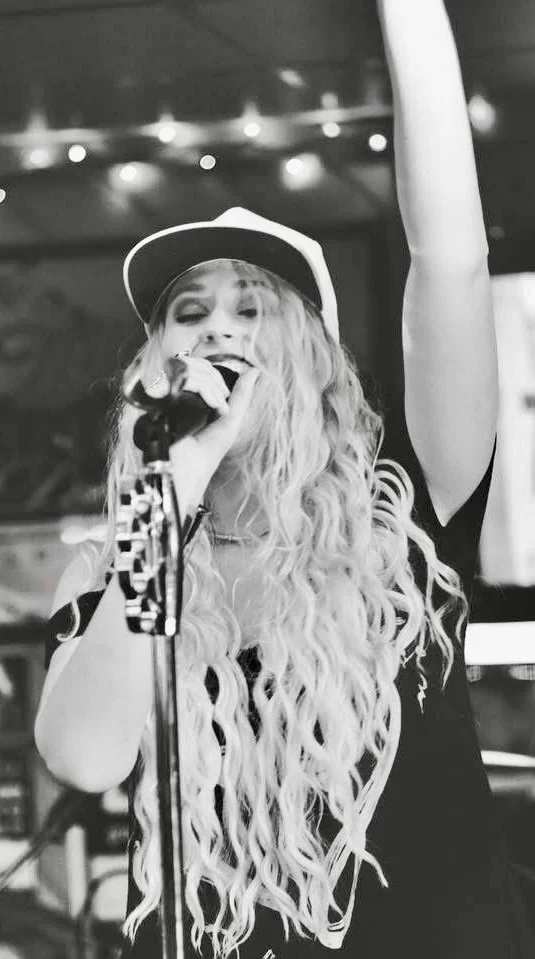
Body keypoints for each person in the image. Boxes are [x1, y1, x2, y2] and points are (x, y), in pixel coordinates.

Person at [33, 1, 534, 957]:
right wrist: (169, 492)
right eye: (188, 311)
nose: (217, 327)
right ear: (152, 366)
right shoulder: (117, 562)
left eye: (251, 306)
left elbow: (453, 263)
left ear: (310, 358)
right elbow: (87, 755)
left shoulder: (405, 519)